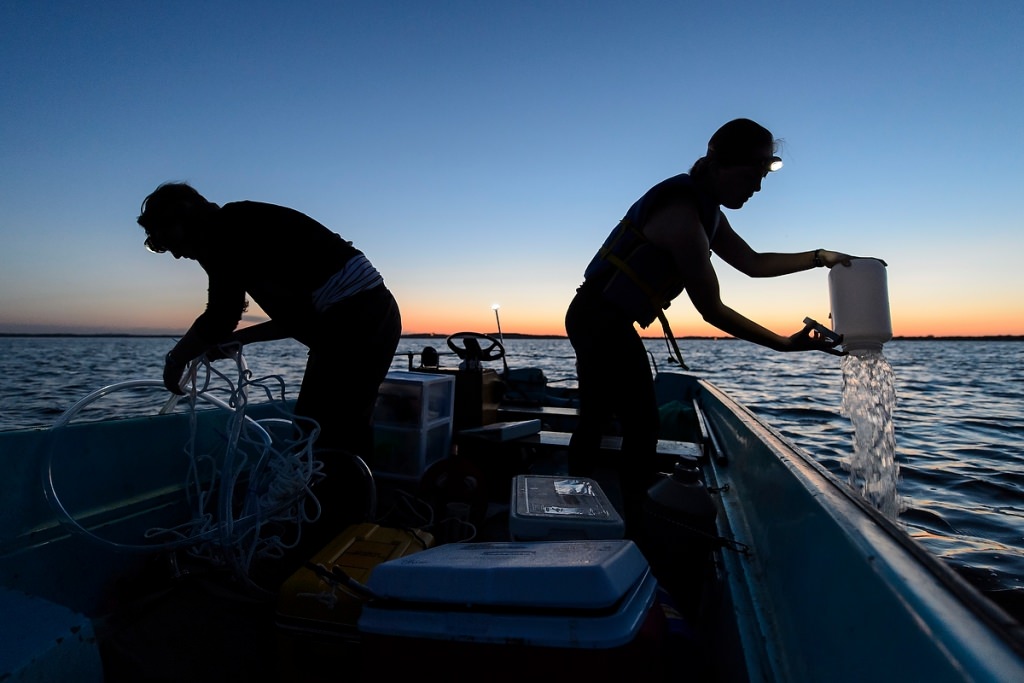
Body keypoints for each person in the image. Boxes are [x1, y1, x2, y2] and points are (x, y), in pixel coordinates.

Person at [565, 118, 857, 519]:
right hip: (598, 319)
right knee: (640, 424)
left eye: (763, 176)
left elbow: (752, 263)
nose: (757, 187)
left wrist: (821, 258)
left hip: (600, 318)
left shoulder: (707, 212)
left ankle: (583, 504)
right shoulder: (683, 214)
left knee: (599, 415)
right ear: (719, 164)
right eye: (752, 174)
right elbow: (712, 309)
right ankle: (631, 518)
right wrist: (784, 344)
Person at [136, 182, 402, 478]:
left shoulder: (223, 232)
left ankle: (337, 515)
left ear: (185, 216)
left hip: (357, 321)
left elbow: (221, 317)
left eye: (166, 240)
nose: (174, 254)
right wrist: (239, 340)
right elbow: (303, 316)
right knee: (338, 427)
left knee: (315, 432)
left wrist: (176, 360)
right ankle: (351, 510)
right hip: (372, 317)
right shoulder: (242, 228)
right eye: (159, 247)